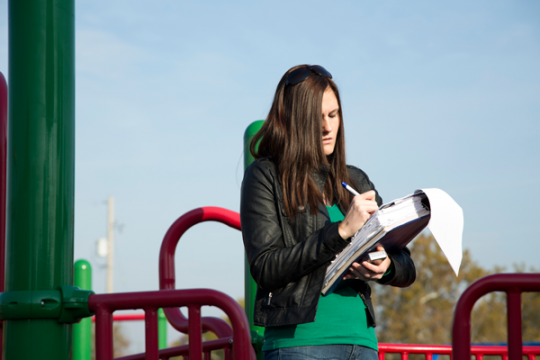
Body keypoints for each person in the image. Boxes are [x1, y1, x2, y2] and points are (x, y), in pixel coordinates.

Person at [240, 65, 416, 360]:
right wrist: (340, 232)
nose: (327, 127)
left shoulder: (355, 180)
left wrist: (385, 266)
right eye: (317, 118)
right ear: (293, 121)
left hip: (362, 344)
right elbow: (265, 267)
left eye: (333, 115)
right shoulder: (265, 176)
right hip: (300, 345)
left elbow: (406, 265)